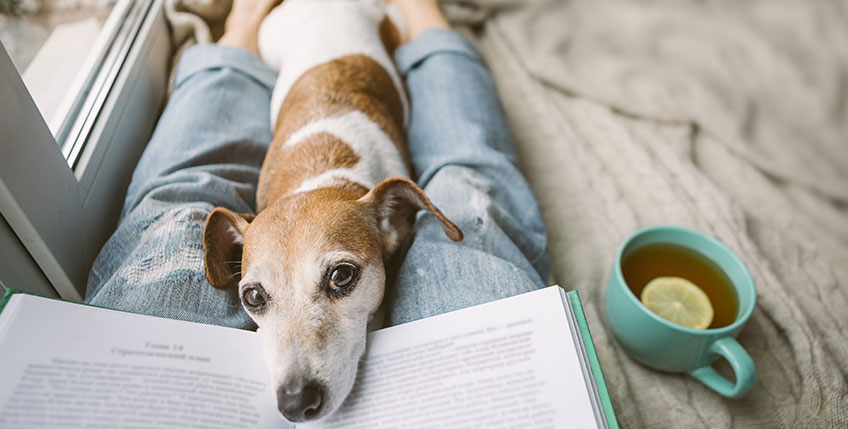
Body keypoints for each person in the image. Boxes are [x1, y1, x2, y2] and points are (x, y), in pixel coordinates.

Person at [86, 0, 549, 329]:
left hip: (364, 17)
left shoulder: (382, 211)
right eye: (255, 297)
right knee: (468, 176)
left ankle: (244, 30)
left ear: (396, 215)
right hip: (299, 27)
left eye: (341, 276)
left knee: (179, 196)